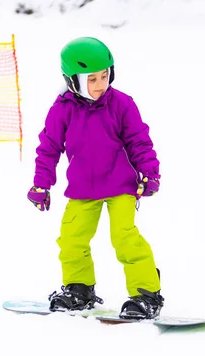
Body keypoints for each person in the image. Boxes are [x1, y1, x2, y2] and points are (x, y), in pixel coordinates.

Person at [27, 37, 164, 320]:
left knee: (124, 238)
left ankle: (146, 294)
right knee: (72, 239)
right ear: (72, 81)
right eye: (92, 79)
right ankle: (79, 290)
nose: (101, 84)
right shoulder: (61, 109)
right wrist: (41, 183)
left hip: (121, 186)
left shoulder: (122, 104)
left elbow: (139, 140)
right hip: (82, 189)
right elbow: (49, 147)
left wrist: (149, 172)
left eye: (104, 76)